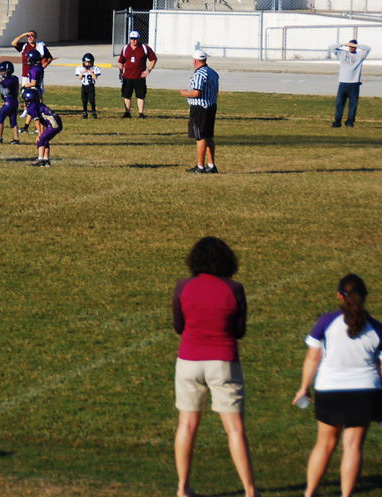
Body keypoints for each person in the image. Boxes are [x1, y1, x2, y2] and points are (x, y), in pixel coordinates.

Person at [171, 236, 258, 497]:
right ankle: (250, 491)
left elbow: (179, 327)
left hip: (188, 360)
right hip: (223, 361)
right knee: (234, 429)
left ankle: (183, 488)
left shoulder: (183, 286)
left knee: (186, 425)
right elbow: (240, 331)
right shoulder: (234, 288)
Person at [294, 274, 382, 497]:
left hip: (330, 391)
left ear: (340, 295)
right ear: (365, 296)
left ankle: (309, 493)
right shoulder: (378, 328)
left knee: (324, 444)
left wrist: (304, 388)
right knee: (353, 447)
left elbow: (312, 358)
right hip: (365, 393)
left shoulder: (326, 322)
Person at [180, 49, 220, 174]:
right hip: (211, 106)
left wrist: (185, 93)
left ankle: (200, 166)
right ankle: (211, 164)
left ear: (195, 60)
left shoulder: (199, 74)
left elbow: (196, 92)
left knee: (200, 137)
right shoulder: (213, 72)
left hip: (199, 109)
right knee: (208, 136)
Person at [330, 40, 371, 128]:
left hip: (354, 83)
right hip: (343, 83)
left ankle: (350, 122)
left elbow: (367, 48)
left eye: (353, 46)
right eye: (350, 46)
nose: (351, 48)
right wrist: (344, 44)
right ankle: (337, 122)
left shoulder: (359, 55)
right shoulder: (342, 54)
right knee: (339, 103)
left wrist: (357, 45)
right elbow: (331, 47)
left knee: (353, 104)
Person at [118, 30, 157, 118]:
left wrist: (148, 70)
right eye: (131, 38)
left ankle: (141, 113)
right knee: (127, 95)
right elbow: (121, 61)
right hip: (127, 76)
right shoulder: (125, 49)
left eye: (135, 39)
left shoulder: (144, 48)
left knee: (140, 95)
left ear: (139, 39)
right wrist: (120, 72)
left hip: (139, 77)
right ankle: (127, 112)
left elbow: (153, 59)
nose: (133, 40)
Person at [22, 87, 61, 166]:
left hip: (53, 124)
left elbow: (37, 121)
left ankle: (40, 160)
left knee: (41, 140)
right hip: (56, 123)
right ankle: (46, 160)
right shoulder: (38, 105)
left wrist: (39, 135)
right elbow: (42, 122)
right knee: (45, 139)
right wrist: (41, 133)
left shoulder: (32, 107)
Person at [0, 60, 21, 145]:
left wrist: (1, 84)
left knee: (0, 118)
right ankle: (16, 138)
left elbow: (6, 92)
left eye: (2, 71)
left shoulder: (8, 81)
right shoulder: (15, 78)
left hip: (9, 101)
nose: (1, 72)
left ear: (7, 71)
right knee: (13, 121)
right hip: (15, 101)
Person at [76, 52, 101, 119]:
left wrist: (90, 72)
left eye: (89, 62)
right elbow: (79, 78)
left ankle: (93, 112)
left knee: (91, 100)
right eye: (86, 62)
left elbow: (95, 77)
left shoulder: (94, 68)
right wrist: (83, 72)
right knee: (84, 100)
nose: (87, 64)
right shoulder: (80, 69)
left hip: (91, 86)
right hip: (84, 86)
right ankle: (85, 112)